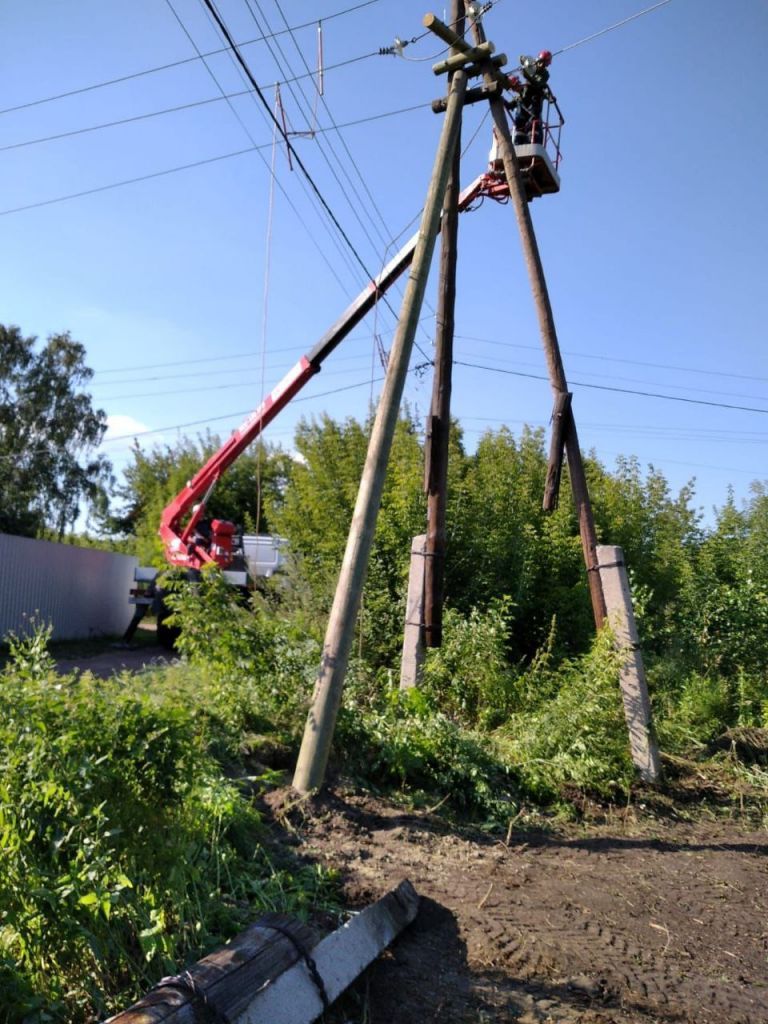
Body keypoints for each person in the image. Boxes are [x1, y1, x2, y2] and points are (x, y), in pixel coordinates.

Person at [508, 50, 553, 145]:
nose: (541, 65)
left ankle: (532, 140)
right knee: (520, 123)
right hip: (525, 108)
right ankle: (518, 142)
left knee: (533, 122)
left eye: (544, 64)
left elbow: (538, 82)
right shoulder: (522, 94)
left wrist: (526, 72)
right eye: (540, 62)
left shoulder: (544, 75)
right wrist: (525, 61)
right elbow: (521, 57)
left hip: (534, 104)